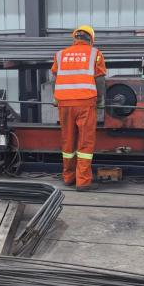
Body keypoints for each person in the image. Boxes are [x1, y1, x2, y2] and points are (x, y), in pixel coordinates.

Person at [51, 25, 106, 191]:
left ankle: (68, 178)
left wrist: (55, 97)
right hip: (85, 102)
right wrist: (100, 100)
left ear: (75, 38)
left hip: (64, 103)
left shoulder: (60, 55)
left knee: (68, 141)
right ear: (91, 39)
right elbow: (100, 79)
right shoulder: (95, 53)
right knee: (85, 144)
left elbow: (55, 78)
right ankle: (82, 182)